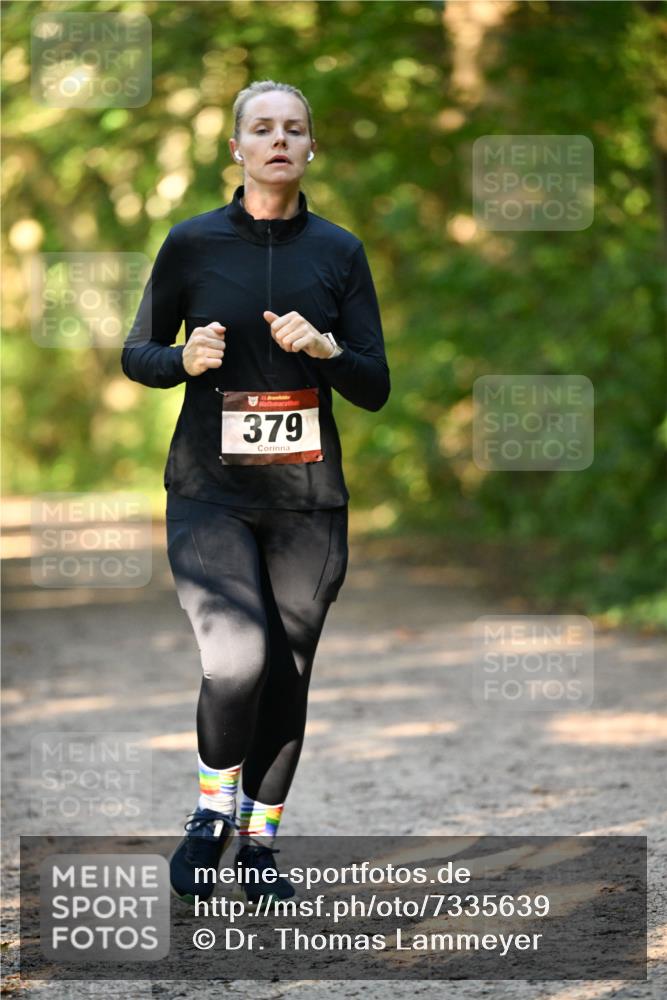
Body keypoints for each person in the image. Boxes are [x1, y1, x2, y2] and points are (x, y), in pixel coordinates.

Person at [121, 79, 390, 906]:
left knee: (288, 674)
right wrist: (181, 360)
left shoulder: (338, 252)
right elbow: (138, 352)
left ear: (311, 148)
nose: (279, 140)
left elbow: (375, 386)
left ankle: (260, 846)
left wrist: (327, 351)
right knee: (236, 657)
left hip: (307, 502)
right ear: (235, 148)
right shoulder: (191, 244)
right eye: (263, 128)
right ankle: (211, 815)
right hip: (211, 492)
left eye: (294, 128)